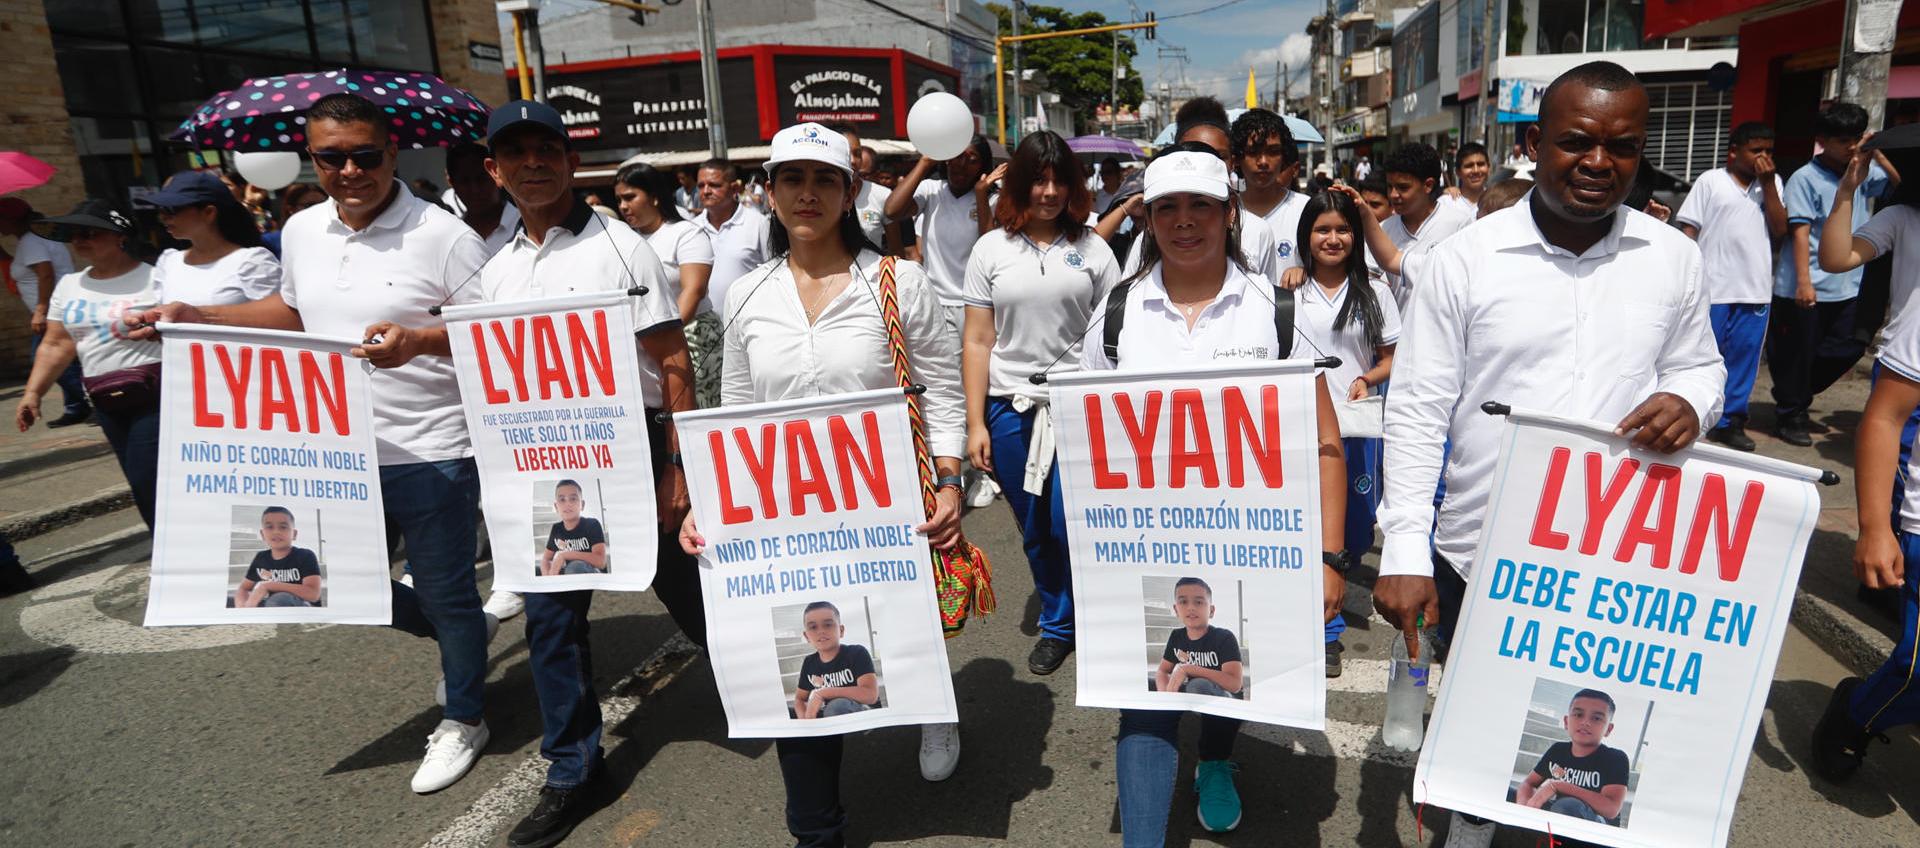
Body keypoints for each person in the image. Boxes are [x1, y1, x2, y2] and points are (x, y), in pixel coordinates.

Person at [1372, 61, 1725, 848]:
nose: (1599, 163)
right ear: (1535, 144)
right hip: (1482, 557)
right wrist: (1404, 548)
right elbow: (1421, 409)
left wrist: (1692, 402)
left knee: (1594, 745)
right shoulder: (1467, 259)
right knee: (1478, 752)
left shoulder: (1673, 258)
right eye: (1576, 143)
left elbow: (1701, 365)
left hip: (1617, 563)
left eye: (1622, 147)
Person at [136, 92, 498, 796]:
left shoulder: (444, 234)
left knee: (450, 590)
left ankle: (465, 715)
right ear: (314, 159)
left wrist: (417, 341)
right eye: (332, 157)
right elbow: (293, 313)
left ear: (392, 154)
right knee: (338, 585)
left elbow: (490, 337)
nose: (351, 170)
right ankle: (462, 640)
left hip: (432, 450)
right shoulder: (300, 230)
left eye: (366, 155)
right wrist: (198, 314)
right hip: (326, 452)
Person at [679, 122, 968, 847]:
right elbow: (736, 407)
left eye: (824, 181)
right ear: (769, 192)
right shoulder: (744, 293)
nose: (806, 195)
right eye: (791, 181)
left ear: (848, 194)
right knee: (800, 669)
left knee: (901, 628)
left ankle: (932, 705)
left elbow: (940, 388)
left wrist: (950, 478)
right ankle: (818, 831)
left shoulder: (899, 282)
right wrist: (711, 506)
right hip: (786, 516)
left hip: (887, 501)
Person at [1082, 145, 1348, 843]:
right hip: (1144, 541)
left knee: (1230, 665)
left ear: (1230, 214)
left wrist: (1329, 556)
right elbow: (1088, 441)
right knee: (1145, 695)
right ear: (1148, 218)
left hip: (1250, 537)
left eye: (1201, 205)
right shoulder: (1115, 313)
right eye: (1166, 206)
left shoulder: (1276, 310)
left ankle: (1219, 761)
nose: (1184, 221)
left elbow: (1323, 439)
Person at [475, 100, 699, 847]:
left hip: (630, 448)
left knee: (691, 593)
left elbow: (672, 362)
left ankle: (762, 690)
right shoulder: (496, 270)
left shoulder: (624, 247)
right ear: (494, 169)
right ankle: (573, 770)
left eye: (547, 148)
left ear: (572, 162)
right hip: (543, 464)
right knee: (549, 619)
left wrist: (677, 468)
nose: (533, 162)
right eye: (516, 152)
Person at [960, 130, 1118, 676]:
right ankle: (1059, 622)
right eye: (1039, 180)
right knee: (1036, 529)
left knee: (1071, 521)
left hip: (1080, 408)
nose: (1049, 192)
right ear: (1019, 183)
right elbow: (978, 340)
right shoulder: (989, 250)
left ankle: (1084, 616)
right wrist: (975, 421)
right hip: (1011, 409)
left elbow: (1114, 335)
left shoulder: (1095, 248)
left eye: (1059, 180)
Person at [1813, 138, 1920, 785]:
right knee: (1913, 661)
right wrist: (1848, 191)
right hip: (1906, 403)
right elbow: (1836, 255)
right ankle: (1855, 710)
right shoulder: (1906, 221)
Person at [1293, 189, 1398, 677]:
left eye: (1341, 230)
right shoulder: (1285, 291)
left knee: (1354, 529)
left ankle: (1328, 600)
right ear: (1306, 236)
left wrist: (1366, 379)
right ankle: (1326, 633)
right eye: (1321, 230)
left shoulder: (1375, 290)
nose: (1332, 239)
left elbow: (1391, 357)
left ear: (1355, 237)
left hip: (1355, 432)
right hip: (1298, 430)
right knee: (1307, 526)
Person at [15, 200, 159, 526]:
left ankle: (176, 553)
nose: (79, 241)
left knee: (146, 476)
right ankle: (168, 548)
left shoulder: (156, 278)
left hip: (157, 395)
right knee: (139, 481)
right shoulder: (69, 285)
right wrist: (33, 393)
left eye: (90, 233)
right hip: (105, 398)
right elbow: (56, 343)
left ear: (119, 236)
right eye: (73, 234)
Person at [1767, 102, 1901, 446]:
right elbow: (1799, 231)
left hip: (1849, 284)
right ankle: (1791, 413)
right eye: (1844, 140)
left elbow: (1903, 186)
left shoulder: (1864, 171)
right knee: (1797, 353)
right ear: (1823, 140)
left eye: (1857, 138)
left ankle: (1797, 390)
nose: (1851, 146)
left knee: (1850, 345)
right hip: (1805, 284)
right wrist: (1803, 283)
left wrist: (1878, 154)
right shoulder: (1805, 178)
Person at [1675, 121, 1787, 452]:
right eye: (1756, 150)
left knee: (1743, 359)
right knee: (1702, 355)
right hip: (1713, 288)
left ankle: (1731, 422)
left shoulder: (1773, 183)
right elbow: (1688, 230)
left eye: (1768, 151)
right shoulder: (1711, 181)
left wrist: (1768, 185)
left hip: (1753, 289)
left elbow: (1780, 228)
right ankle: (1697, 414)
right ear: (1734, 152)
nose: (1763, 157)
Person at [1119, 98, 1279, 283]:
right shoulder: (1147, 241)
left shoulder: (1258, 233)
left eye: (1218, 156)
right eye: (1167, 208)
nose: (1184, 222)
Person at [615, 161, 717, 409]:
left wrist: (663, 340)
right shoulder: (624, 240)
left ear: (655, 197)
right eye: (618, 200)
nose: (623, 206)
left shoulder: (685, 233)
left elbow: (693, 291)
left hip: (691, 339)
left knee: (695, 425)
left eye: (630, 197)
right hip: (642, 347)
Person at [884, 134, 1001, 328]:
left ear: (982, 166)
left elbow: (988, 245)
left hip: (977, 301)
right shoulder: (931, 190)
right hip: (936, 301)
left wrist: (981, 195)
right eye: (957, 156)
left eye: (971, 160)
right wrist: (925, 162)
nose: (961, 165)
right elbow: (892, 211)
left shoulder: (993, 199)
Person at [0, 198, 88, 427]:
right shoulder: (36, 239)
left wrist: (40, 310)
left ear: (9, 220)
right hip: (60, 308)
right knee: (68, 361)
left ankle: (90, 398)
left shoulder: (31, 242)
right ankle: (77, 406)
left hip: (53, 312)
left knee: (47, 360)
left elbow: (45, 274)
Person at [694, 157, 774, 402]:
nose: (706, 191)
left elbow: (774, 271)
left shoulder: (758, 223)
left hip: (749, 332)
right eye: (701, 185)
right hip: (704, 337)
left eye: (714, 185)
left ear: (735, 188)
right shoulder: (691, 229)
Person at [145, 170, 281, 308]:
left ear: (209, 212)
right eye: (160, 209)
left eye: (171, 209)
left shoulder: (252, 262)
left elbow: (278, 320)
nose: (163, 217)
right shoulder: (168, 261)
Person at [1377, 142, 1474, 310]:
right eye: (1390, 186)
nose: (1393, 194)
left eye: (1403, 187)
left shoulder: (1459, 224)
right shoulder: (1382, 230)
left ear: (1428, 185)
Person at [1510, 689, 1628, 824]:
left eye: (1596, 718)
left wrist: (1558, 786)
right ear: (1566, 721)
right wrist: (1523, 805)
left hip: (1592, 824)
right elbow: (1529, 783)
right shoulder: (1558, 750)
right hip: (1558, 815)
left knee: (1567, 805)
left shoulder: (1615, 758)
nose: (1585, 722)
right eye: (1578, 714)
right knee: (1508, 793)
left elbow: (1611, 809)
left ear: (1608, 729)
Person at [1231, 109, 1309, 270]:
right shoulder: (1225, 213)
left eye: (1273, 152)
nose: (1263, 162)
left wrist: (1307, 272)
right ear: (1237, 158)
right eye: (1253, 152)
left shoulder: (1306, 209)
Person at [1155, 578, 1243, 698]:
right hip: (1193, 694)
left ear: (1211, 611)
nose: (1191, 607)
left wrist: (1188, 669)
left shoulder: (1224, 637)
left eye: (1199, 602)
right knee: (1146, 685)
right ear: (1176, 610)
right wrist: (1165, 695)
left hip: (1223, 699)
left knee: (1197, 685)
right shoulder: (1176, 636)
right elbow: (1162, 671)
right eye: (1184, 602)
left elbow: (1235, 684)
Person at [793, 601, 880, 719]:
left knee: (837, 706)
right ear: (806, 636)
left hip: (859, 712)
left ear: (841, 630)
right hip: (830, 718)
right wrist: (806, 722)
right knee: (788, 714)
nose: (820, 631)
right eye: (813, 627)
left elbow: (871, 694)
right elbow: (800, 699)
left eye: (828, 624)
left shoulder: (857, 653)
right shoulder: (809, 663)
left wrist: (823, 693)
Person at [234, 506, 323, 608]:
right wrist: (241, 607)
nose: (276, 531)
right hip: (272, 605)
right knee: (231, 600)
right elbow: (244, 588)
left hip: (301, 608)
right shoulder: (261, 557)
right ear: (262, 534)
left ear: (294, 534)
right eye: (269, 527)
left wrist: (267, 585)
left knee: (279, 599)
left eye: (283, 527)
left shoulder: (305, 555)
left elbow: (313, 594)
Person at [445, 142, 521, 257]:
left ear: (496, 174)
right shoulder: (452, 237)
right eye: (464, 182)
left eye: (481, 179)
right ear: (452, 183)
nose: (474, 189)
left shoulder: (524, 225)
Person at [832, 124, 894, 252]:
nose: (854, 160)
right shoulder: (815, 196)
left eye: (858, 153)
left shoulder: (882, 195)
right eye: (847, 153)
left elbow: (896, 250)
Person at [539, 479, 609, 576]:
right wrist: (546, 574)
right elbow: (546, 559)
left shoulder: (592, 524)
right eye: (562, 500)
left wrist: (564, 554)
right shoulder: (557, 528)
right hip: (570, 576)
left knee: (574, 567)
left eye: (573, 499)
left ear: (582, 505)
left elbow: (601, 562)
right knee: (536, 570)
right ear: (556, 507)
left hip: (591, 575)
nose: (567, 504)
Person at [261, 183, 327, 256]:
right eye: (310, 205)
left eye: (323, 204)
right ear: (291, 209)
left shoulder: (336, 237)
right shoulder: (270, 241)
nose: (318, 208)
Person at [1440, 142, 1491, 215]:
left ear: (1488, 168)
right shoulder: (1446, 203)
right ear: (1458, 172)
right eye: (1469, 166)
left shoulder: (1498, 202)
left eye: (1480, 164)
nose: (1476, 170)